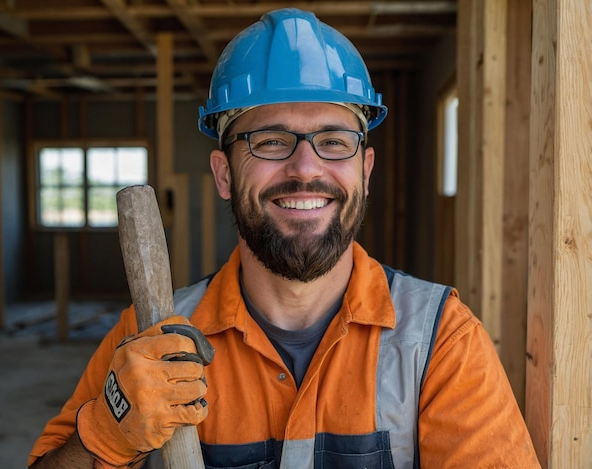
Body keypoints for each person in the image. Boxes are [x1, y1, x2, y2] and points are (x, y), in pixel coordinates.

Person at [29, 8, 540, 469]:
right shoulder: (149, 338)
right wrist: (108, 436)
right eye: (270, 140)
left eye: (333, 142)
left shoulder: (440, 343)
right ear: (224, 174)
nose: (305, 168)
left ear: (365, 171)